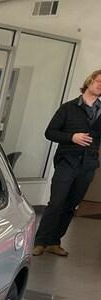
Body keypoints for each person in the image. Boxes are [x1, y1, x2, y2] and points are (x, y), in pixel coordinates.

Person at [33, 69, 101, 257]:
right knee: (56, 202)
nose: (100, 86)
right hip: (67, 162)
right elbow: (50, 132)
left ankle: (54, 241)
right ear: (89, 82)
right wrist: (72, 137)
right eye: (98, 81)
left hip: (88, 165)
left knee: (71, 205)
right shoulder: (68, 108)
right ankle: (40, 242)